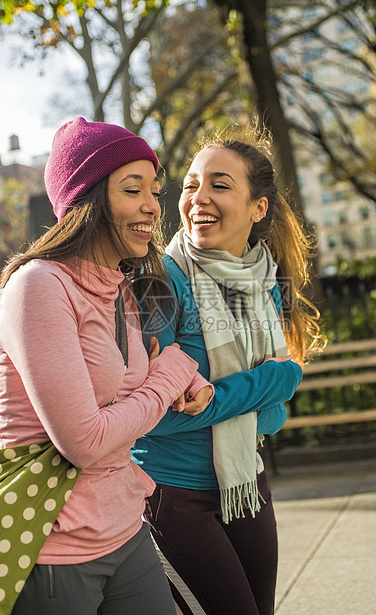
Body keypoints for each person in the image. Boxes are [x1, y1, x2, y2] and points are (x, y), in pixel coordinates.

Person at [0, 117, 213, 615]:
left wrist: (187, 376)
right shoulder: (37, 287)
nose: (151, 206)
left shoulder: (119, 289)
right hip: (53, 544)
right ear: (87, 201)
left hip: (125, 527)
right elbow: (85, 441)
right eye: (132, 188)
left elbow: (138, 375)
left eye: (154, 191)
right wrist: (174, 373)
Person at [132, 130, 323, 615]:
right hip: (172, 495)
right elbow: (158, 416)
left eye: (219, 184)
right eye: (191, 185)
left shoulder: (262, 279)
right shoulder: (161, 278)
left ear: (258, 207)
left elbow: (276, 415)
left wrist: (230, 397)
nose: (199, 198)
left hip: (245, 484)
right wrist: (271, 382)